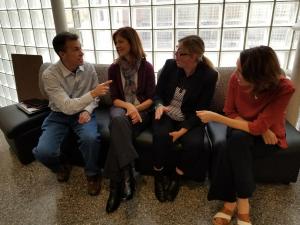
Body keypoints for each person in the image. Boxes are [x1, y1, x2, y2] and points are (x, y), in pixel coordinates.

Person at [197, 46, 295, 225]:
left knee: (231, 144)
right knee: (238, 139)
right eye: (237, 68)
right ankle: (243, 206)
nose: (235, 74)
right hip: (247, 129)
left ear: (259, 78)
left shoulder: (285, 88)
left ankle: (231, 203)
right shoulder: (236, 78)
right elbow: (229, 110)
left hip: (269, 137)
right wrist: (261, 127)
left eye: (241, 72)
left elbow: (228, 117)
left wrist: (215, 117)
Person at [32, 32, 112, 196]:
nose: (82, 52)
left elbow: (95, 100)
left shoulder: (88, 68)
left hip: (83, 113)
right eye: (76, 49)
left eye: (80, 47)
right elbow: (67, 107)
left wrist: (88, 110)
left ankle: (92, 174)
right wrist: (93, 94)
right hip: (59, 114)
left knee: (90, 138)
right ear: (62, 54)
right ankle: (61, 166)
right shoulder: (49, 75)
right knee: (43, 152)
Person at [152, 35, 218, 202]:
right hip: (167, 111)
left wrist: (182, 130)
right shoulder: (170, 66)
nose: (176, 56)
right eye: (176, 51)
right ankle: (158, 175)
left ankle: (176, 176)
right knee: (160, 136)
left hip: (190, 117)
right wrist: (159, 105)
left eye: (181, 53)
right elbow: (158, 94)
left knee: (195, 144)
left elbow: (202, 109)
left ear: (194, 56)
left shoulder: (209, 75)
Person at [103, 27, 155, 213]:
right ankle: (127, 174)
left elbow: (151, 98)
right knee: (118, 121)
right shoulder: (113, 69)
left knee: (118, 131)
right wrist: (129, 107)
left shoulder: (146, 67)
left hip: (142, 111)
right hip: (121, 109)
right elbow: (114, 98)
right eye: (116, 43)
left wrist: (136, 108)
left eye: (121, 42)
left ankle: (115, 187)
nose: (117, 46)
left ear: (132, 42)